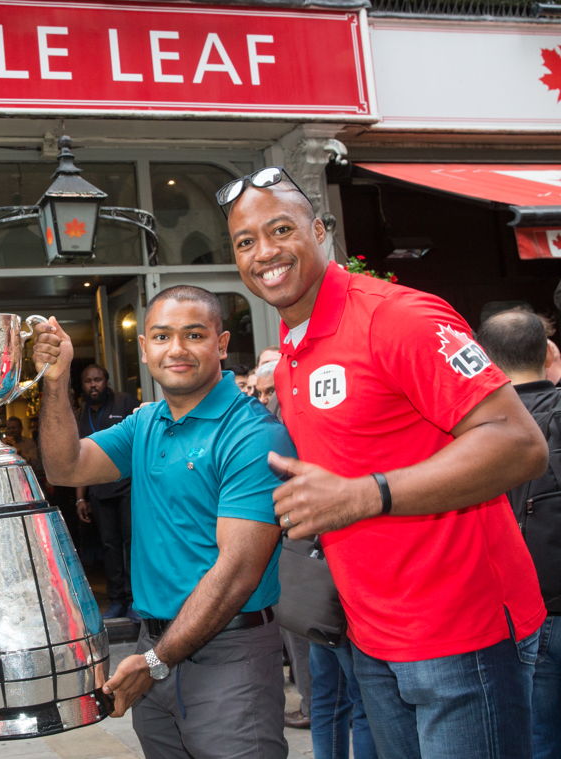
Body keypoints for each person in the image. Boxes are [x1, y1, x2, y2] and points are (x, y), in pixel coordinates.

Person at [223, 165, 547, 758]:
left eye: (279, 229)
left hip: (461, 633)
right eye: (245, 242)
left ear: (319, 230)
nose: (264, 252)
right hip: (369, 638)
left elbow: (519, 443)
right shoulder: (292, 350)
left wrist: (364, 494)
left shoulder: (400, 317)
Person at [33, 285, 295, 759]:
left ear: (220, 343)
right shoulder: (146, 422)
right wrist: (56, 379)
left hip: (227, 652)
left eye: (193, 334)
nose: (176, 349)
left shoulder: (254, 433)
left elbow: (237, 571)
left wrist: (155, 662)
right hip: (154, 645)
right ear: (145, 348)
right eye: (161, 336)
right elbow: (64, 467)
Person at [476, 308, 561, 759]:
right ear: (549, 353)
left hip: (523, 611)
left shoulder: (475, 432)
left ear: (484, 358)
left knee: (538, 737)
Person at [73, 364, 137, 619]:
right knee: (109, 547)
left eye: (98, 379)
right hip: (99, 491)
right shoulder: (81, 414)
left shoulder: (124, 403)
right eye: (88, 381)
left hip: (128, 487)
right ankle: (117, 600)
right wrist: (80, 497)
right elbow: (78, 457)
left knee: (132, 544)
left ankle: (135, 599)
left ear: (106, 380)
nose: (93, 385)